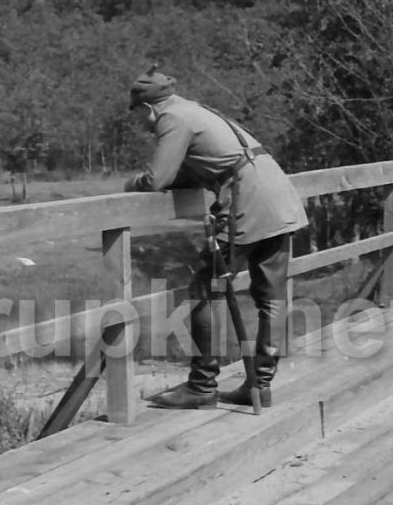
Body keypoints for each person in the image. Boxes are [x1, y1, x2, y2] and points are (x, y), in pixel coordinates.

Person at [124, 67, 308, 410]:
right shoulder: (196, 110)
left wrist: (131, 184)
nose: (141, 124)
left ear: (147, 108)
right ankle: (259, 386)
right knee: (271, 296)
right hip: (279, 198)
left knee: (204, 289)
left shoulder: (173, 118)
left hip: (248, 204)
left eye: (138, 115)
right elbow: (193, 169)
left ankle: (202, 385)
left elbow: (156, 179)